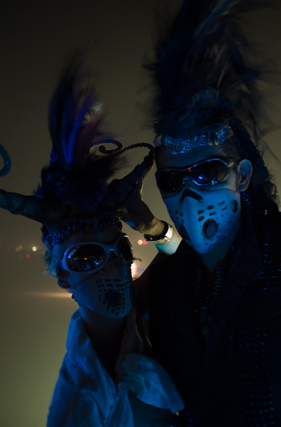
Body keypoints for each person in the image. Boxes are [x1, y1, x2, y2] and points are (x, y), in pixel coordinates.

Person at [125, 1, 281, 426]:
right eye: (173, 181)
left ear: (243, 175)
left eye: (209, 172)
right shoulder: (168, 282)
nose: (191, 194)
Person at [0, 62, 183, 426]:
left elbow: (190, 260)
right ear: (63, 277)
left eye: (121, 250)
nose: (113, 267)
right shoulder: (81, 403)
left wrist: (152, 224)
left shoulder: (142, 312)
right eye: (87, 257)